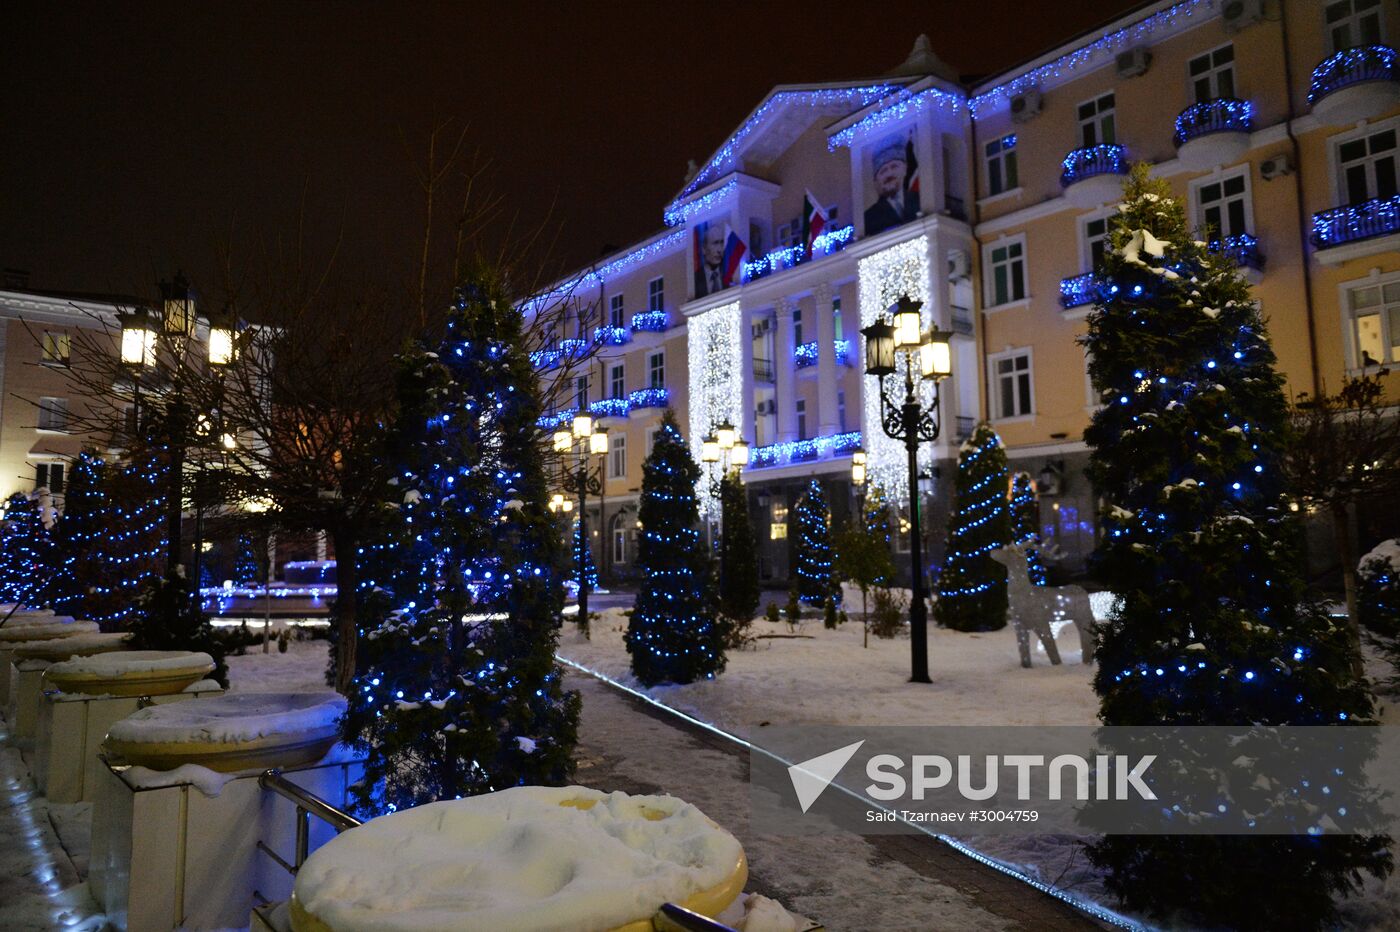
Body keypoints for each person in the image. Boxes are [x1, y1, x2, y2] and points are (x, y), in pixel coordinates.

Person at [863, 139, 920, 236]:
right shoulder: (869, 217)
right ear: (876, 181)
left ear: (905, 169)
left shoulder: (920, 199)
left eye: (894, 167)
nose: (889, 174)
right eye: (883, 171)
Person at [693, 222, 727, 298]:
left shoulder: (728, 274)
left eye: (721, 243)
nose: (719, 250)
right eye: (715, 243)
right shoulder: (696, 279)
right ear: (704, 249)